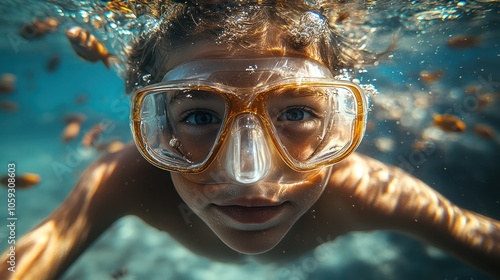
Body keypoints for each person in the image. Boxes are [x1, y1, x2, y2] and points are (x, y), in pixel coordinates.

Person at [1, 1, 499, 279]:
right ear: (157, 129)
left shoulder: (365, 188)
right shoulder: (124, 178)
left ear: (339, 124)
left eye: (298, 113)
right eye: (198, 115)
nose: (250, 174)